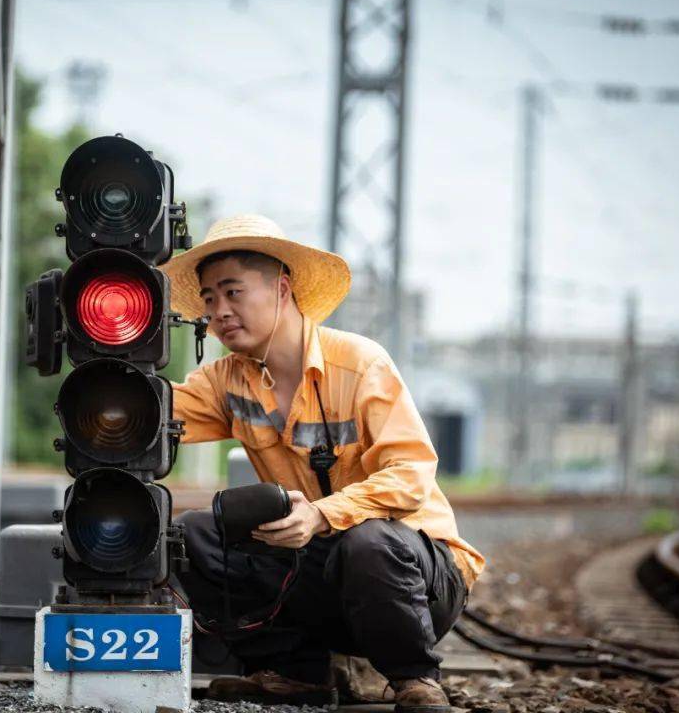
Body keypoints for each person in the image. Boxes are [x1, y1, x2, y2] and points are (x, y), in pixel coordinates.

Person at [159, 213, 485, 712]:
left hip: (413, 577)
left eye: (233, 292)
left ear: (282, 289)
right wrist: (108, 363)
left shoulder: (359, 365)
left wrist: (321, 513)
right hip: (318, 574)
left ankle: (413, 679)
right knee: (196, 536)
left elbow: (411, 475)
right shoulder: (226, 379)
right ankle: (295, 674)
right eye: (208, 299)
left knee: (368, 540)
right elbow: (152, 414)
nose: (218, 312)